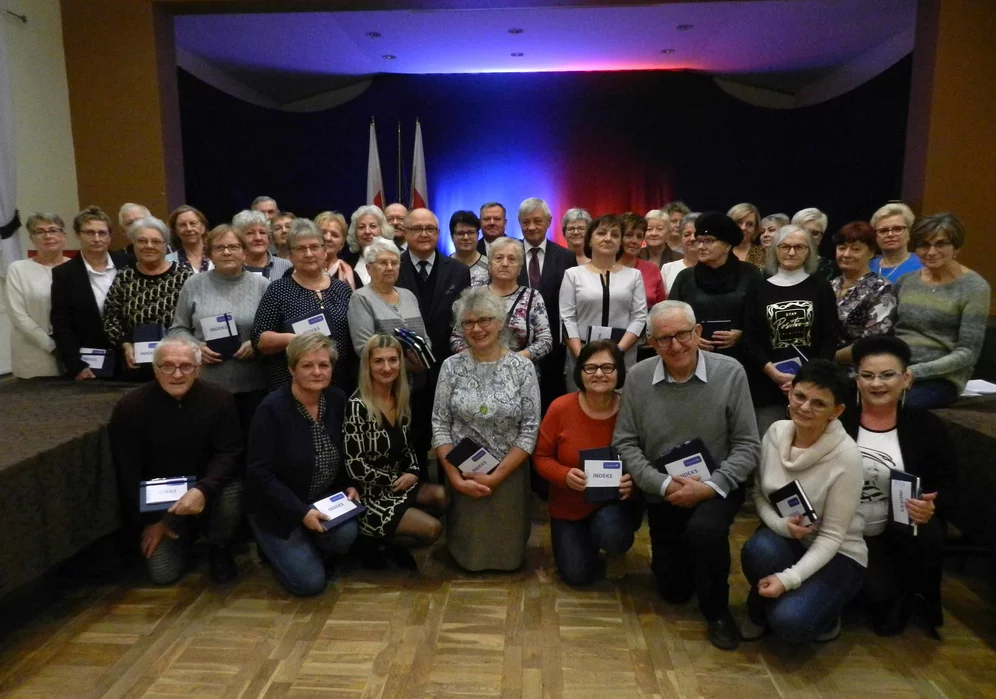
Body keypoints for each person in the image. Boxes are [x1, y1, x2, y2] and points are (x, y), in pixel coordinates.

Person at [613, 301, 760, 650]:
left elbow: (747, 445)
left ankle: (718, 611)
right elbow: (625, 441)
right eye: (664, 339)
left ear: (697, 333)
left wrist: (710, 487)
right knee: (674, 591)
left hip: (716, 486)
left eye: (682, 335)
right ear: (651, 341)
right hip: (663, 490)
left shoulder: (731, 372)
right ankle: (690, 566)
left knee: (704, 530)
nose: (675, 346)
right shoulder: (637, 377)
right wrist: (660, 484)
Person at [740, 360, 865, 644]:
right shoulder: (775, 432)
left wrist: (788, 580)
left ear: (837, 411)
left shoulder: (847, 457)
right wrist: (781, 526)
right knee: (758, 550)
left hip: (838, 553)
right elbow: (759, 493)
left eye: (819, 404)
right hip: (790, 539)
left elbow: (833, 537)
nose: (805, 407)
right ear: (789, 392)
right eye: (800, 396)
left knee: (791, 623)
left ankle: (822, 611)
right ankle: (765, 608)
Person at [842, 336, 956, 637]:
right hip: (843, 526)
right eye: (867, 375)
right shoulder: (839, 419)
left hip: (896, 533)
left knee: (880, 595)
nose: (877, 384)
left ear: (906, 379)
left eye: (887, 375)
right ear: (857, 379)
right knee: (856, 596)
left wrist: (932, 505)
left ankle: (907, 596)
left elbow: (950, 484)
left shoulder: (927, 426)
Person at [109, 337, 243, 585]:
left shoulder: (220, 399)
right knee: (163, 575)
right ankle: (185, 532)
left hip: (208, 493)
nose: (177, 374)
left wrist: (203, 490)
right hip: (160, 504)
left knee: (233, 492)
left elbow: (230, 453)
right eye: (168, 366)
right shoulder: (130, 407)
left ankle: (219, 546)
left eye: (186, 366)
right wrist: (153, 521)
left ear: (198, 369)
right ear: (155, 368)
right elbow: (128, 471)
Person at [432, 287, 541, 571]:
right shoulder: (450, 367)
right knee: (468, 555)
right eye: (468, 322)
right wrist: (454, 478)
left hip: (510, 472)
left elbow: (530, 430)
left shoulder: (522, 368)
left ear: (501, 322)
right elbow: (440, 424)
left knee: (507, 555)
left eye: (484, 320)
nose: (477, 328)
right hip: (463, 472)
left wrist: (497, 476)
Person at [246, 333, 360, 596]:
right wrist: (300, 513)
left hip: (321, 501)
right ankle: (271, 545)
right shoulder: (271, 409)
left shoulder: (338, 400)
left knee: (346, 535)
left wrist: (349, 484)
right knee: (310, 584)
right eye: (308, 365)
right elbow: (259, 474)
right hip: (277, 510)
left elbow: (347, 451)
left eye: (324, 365)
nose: (317, 372)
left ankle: (308, 544)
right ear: (291, 369)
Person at [344, 335, 450, 569]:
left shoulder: (400, 396)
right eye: (379, 361)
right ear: (368, 365)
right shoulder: (357, 405)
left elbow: (408, 446)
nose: (387, 367)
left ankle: (397, 527)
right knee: (432, 530)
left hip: (401, 483)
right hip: (371, 494)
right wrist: (395, 480)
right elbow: (355, 466)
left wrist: (413, 471)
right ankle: (375, 541)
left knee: (444, 496)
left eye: (393, 360)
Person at [534, 340, 635, 585]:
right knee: (577, 576)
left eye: (607, 367)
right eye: (590, 367)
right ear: (580, 372)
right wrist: (564, 475)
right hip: (568, 506)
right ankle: (585, 541)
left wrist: (632, 481)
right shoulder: (560, 408)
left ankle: (614, 549)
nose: (599, 373)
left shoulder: (631, 409)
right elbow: (540, 457)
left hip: (613, 505)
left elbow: (642, 458)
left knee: (612, 533)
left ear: (619, 372)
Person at [170, 224, 270, 436]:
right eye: (219, 247)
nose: (226, 252)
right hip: (206, 385)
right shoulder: (193, 284)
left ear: (244, 251)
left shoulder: (262, 285)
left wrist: (256, 343)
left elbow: (272, 329)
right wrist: (196, 347)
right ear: (209, 253)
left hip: (252, 385)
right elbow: (178, 329)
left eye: (233, 246)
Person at [397, 207, 473, 477]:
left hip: (447, 367)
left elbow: (462, 320)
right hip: (405, 369)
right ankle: (417, 494)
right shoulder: (392, 266)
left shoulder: (459, 271)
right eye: (417, 229)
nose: (424, 234)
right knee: (412, 436)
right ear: (405, 233)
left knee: (450, 435)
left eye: (430, 228)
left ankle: (449, 493)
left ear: (439, 233)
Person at [743, 224, 838, 435]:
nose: (791, 252)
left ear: (809, 252)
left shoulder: (821, 287)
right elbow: (750, 339)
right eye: (785, 246)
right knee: (769, 446)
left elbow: (830, 336)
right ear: (775, 250)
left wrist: (808, 376)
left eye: (799, 247)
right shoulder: (759, 288)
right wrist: (772, 372)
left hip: (812, 385)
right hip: (768, 385)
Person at [894, 213, 990, 408]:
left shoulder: (974, 287)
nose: (931, 251)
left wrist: (915, 372)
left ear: (956, 247)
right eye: (924, 245)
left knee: (895, 404)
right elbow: (889, 331)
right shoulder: (907, 281)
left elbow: (968, 352)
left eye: (941, 244)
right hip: (894, 368)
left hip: (942, 378)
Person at [252, 218, 355, 393]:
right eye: (301, 248)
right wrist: (295, 340)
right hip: (291, 384)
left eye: (314, 247)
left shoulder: (343, 289)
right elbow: (260, 340)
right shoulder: (278, 289)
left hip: (339, 382)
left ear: (324, 251)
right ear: (290, 255)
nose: (308, 254)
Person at [561, 214, 648, 387]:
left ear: (620, 243)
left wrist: (617, 352)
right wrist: (582, 356)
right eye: (601, 233)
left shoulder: (634, 276)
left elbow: (639, 318)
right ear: (589, 241)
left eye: (615, 234)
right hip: (581, 357)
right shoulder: (573, 275)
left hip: (622, 357)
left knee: (620, 409)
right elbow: (566, 318)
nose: (608, 238)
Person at [103, 216, 193, 377]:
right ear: (134, 245)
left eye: (156, 242)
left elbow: (195, 316)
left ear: (166, 246)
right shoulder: (124, 276)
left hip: (178, 364)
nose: (149, 246)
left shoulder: (184, 275)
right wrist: (125, 344)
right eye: (142, 241)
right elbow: (111, 317)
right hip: (135, 365)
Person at [669, 212, 762, 367]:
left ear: (727, 246)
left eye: (709, 241)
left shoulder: (750, 274)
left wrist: (743, 335)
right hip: (694, 357)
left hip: (741, 358)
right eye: (699, 241)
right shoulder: (685, 277)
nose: (701, 247)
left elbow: (761, 316)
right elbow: (672, 316)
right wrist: (690, 337)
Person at [52, 207, 132, 380]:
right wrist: (75, 365)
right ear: (78, 235)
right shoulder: (64, 274)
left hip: (130, 356)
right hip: (90, 361)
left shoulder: (129, 263)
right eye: (89, 232)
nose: (97, 239)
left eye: (102, 233)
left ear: (110, 236)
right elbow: (61, 325)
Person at [515, 197, 578, 411]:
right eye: (526, 222)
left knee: (551, 405)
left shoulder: (567, 257)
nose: (531, 227)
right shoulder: (508, 253)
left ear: (549, 221)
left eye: (537, 221)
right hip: (515, 348)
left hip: (553, 349)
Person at [450, 237, 552, 366]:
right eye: (498, 258)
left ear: (520, 268)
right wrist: (480, 359)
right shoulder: (474, 294)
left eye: (512, 259)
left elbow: (545, 341)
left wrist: (513, 360)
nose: (505, 264)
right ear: (489, 265)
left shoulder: (533, 297)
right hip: (476, 368)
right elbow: (456, 338)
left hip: (521, 370)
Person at [347, 237, 431, 393]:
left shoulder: (408, 296)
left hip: (419, 386)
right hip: (383, 387)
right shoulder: (361, 298)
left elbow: (425, 338)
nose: (390, 267)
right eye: (383, 263)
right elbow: (364, 348)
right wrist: (410, 364)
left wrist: (424, 358)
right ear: (368, 268)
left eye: (394, 263)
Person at [6, 213, 70, 378]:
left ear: (63, 236)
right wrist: (52, 347)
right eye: (39, 232)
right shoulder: (18, 269)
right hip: (33, 353)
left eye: (53, 230)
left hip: (74, 352)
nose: (48, 236)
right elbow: (18, 315)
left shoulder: (76, 268)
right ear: (31, 238)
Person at [831, 221, 897, 366]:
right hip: (823, 365)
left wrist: (828, 358)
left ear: (871, 252)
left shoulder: (881, 288)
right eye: (842, 248)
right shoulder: (831, 285)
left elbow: (874, 342)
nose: (846, 254)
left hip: (860, 369)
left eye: (855, 249)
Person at [619, 212, 667, 308]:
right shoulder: (607, 266)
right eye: (629, 235)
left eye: (639, 236)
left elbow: (661, 307)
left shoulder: (652, 269)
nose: (634, 241)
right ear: (618, 237)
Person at [233, 209, 292, 280]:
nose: (258, 238)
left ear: (269, 237)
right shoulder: (232, 267)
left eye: (262, 233)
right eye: (250, 233)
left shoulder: (287, 266)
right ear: (239, 238)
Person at [343, 205, 393, 282]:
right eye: (361, 227)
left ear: (383, 230)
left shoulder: (394, 259)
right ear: (355, 233)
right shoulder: (347, 263)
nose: (367, 231)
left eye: (372, 226)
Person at [316, 210, 361, 289]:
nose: (328, 238)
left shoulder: (353, 276)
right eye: (323, 232)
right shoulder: (297, 271)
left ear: (342, 243)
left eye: (335, 235)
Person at [792, 208, 836, 280]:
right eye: (802, 230)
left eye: (814, 233)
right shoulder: (777, 263)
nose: (808, 236)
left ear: (820, 238)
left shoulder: (831, 269)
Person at [165, 205, 213, 273]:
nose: (189, 229)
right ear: (175, 231)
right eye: (182, 225)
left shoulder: (217, 256)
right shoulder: (167, 261)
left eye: (193, 223)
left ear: (203, 228)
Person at [448, 210, 489, 286]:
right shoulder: (443, 268)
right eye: (460, 233)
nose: (466, 237)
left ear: (478, 235)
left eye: (470, 232)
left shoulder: (490, 267)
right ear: (452, 237)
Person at [661, 212, 699, 293]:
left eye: (696, 234)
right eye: (687, 234)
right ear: (681, 238)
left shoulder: (713, 268)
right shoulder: (667, 269)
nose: (692, 238)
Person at [727, 202, 765, 269]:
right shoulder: (718, 252)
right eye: (738, 222)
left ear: (755, 229)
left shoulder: (765, 254)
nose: (743, 228)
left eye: (750, 224)